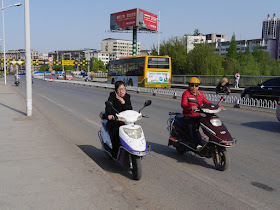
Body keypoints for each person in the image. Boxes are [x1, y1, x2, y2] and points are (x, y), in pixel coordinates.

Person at [181, 77, 211, 150]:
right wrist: (191, 108)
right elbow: (183, 105)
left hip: (197, 116)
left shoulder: (201, 94)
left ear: (198, 86)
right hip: (188, 116)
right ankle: (197, 144)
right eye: (192, 85)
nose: (194, 87)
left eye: (196, 85)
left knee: (208, 125)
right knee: (193, 128)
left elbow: (207, 102)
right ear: (189, 86)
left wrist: (215, 106)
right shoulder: (186, 94)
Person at [105, 81, 132, 159]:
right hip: (115, 121)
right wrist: (110, 115)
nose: (122, 91)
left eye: (123, 89)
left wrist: (123, 102)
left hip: (125, 121)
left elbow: (129, 109)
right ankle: (114, 154)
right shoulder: (112, 96)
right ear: (116, 90)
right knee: (116, 134)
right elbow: (108, 107)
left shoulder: (127, 97)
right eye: (120, 89)